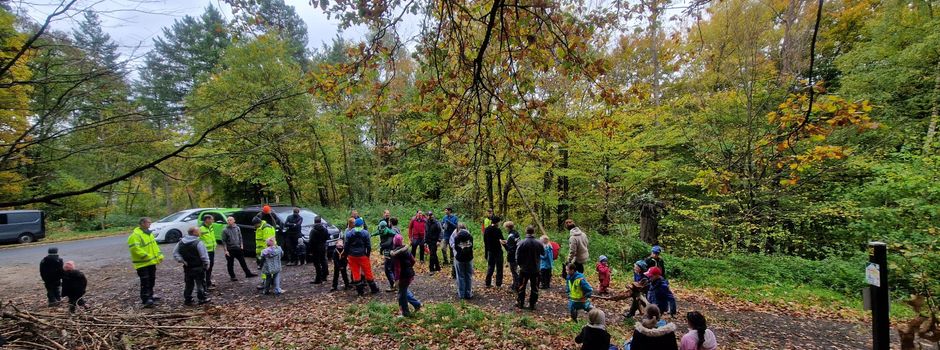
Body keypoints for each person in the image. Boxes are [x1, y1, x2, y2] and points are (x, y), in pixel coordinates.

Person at [128, 217, 163, 308]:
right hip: (142, 263)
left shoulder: (149, 234)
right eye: (148, 222)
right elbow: (135, 249)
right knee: (145, 281)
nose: (150, 224)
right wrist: (146, 256)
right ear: (142, 223)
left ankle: (150, 295)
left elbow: (154, 246)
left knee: (151, 279)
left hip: (151, 262)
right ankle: (146, 299)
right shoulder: (135, 235)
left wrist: (159, 255)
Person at [172, 227, 211, 305]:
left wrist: (182, 260)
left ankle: (188, 299)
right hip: (198, 266)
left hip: (187, 267)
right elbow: (204, 255)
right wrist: (207, 264)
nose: (200, 232)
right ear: (194, 233)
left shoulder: (181, 242)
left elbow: (175, 253)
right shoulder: (198, 242)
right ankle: (202, 298)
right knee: (200, 283)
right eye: (198, 231)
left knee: (188, 283)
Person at [347, 218, 380, 296]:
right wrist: (367, 255)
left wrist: (348, 254)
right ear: (362, 225)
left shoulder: (349, 233)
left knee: (355, 273)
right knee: (367, 272)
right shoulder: (365, 233)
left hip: (352, 256)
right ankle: (373, 289)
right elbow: (368, 246)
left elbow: (346, 245)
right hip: (362, 255)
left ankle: (360, 291)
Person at [392, 235, 422, 317]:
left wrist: (396, 279)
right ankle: (417, 304)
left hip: (403, 276)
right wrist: (408, 267)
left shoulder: (396, 254)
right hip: (409, 274)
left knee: (402, 295)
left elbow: (397, 268)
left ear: (394, 242)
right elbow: (413, 261)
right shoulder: (406, 250)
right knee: (404, 291)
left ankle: (405, 313)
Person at [515, 226, 543, 310]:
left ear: (526, 232)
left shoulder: (521, 243)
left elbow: (517, 256)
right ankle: (532, 304)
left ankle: (520, 303)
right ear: (533, 232)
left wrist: (519, 264)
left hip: (524, 269)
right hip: (535, 268)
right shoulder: (539, 243)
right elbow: (543, 253)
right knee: (535, 287)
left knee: (521, 286)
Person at [221, 216, 257, 281]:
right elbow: (224, 241)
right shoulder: (225, 230)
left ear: (234, 221)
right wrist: (226, 251)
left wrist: (241, 245)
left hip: (238, 248)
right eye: (228, 220)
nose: (229, 221)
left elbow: (240, 237)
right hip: (230, 249)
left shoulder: (237, 228)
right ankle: (232, 276)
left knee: (243, 262)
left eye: (230, 220)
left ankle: (248, 273)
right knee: (230, 264)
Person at [253, 216, 276, 290]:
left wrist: (265, 253)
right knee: (267, 267)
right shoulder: (261, 228)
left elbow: (268, 242)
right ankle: (270, 282)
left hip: (265, 252)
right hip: (262, 252)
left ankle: (265, 283)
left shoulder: (266, 229)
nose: (254, 226)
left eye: (255, 225)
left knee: (265, 268)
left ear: (258, 223)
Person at [453, 223, 474, 299]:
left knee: (460, 276)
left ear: (458, 229)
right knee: (468, 276)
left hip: (459, 258)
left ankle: (461, 294)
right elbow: (471, 247)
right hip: (469, 258)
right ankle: (468, 293)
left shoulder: (457, 237)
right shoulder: (470, 236)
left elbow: (456, 247)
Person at [483, 216, 505, 288]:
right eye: (499, 222)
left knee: (490, 267)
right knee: (499, 268)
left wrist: (486, 253)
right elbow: (502, 240)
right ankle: (498, 284)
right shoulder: (497, 230)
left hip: (490, 251)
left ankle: (488, 283)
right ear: (497, 222)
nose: (499, 223)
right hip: (498, 251)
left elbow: (485, 242)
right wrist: (508, 249)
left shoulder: (486, 230)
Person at [198, 215, 219, 290]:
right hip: (205, 251)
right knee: (205, 267)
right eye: (212, 219)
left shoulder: (211, 226)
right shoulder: (201, 229)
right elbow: (198, 240)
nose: (213, 221)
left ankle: (208, 282)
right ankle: (204, 285)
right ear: (207, 220)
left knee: (210, 267)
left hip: (212, 250)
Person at [378, 220, 397, 292]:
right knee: (392, 268)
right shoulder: (389, 231)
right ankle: (395, 284)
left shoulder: (391, 232)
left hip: (391, 252)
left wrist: (381, 245)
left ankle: (393, 285)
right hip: (391, 251)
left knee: (388, 269)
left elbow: (388, 243)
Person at [310, 217, 330, 284]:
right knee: (323, 261)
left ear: (314, 222)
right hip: (323, 247)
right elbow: (327, 237)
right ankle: (324, 276)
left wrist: (310, 250)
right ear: (320, 221)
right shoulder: (324, 229)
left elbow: (311, 241)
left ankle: (318, 278)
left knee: (317, 263)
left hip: (315, 248)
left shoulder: (313, 230)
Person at [503, 221, 520, 290]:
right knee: (515, 270)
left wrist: (504, 244)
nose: (505, 229)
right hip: (518, 254)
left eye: (505, 227)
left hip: (512, 256)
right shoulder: (516, 233)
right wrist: (507, 242)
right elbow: (515, 243)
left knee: (514, 271)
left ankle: (516, 286)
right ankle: (515, 284)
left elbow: (509, 249)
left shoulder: (510, 236)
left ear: (508, 227)